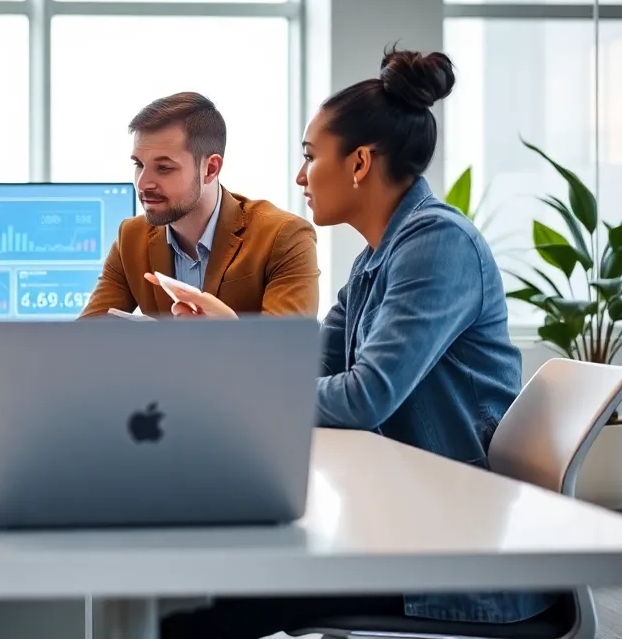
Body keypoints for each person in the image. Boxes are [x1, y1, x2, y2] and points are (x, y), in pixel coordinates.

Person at [157, 48, 559, 637]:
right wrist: (231, 336)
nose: (299, 178)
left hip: (451, 562)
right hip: (404, 525)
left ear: (360, 163)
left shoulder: (436, 245)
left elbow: (364, 397)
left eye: (309, 157)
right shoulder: (379, 257)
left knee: (195, 614)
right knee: (200, 589)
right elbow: (312, 366)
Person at [78, 92, 319, 320]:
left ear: (210, 169)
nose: (142, 183)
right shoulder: (131, 237)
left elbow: (286, 353)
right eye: (139, 165)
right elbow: (83, 341)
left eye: (164, 168)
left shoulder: (284, 236)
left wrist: (229, 334)